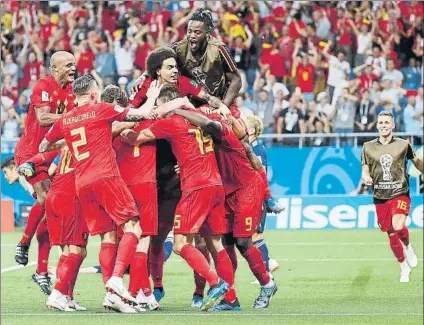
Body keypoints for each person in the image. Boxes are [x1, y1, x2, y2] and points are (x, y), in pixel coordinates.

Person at [38, 75, 173, 313]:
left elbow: (43, 146)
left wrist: (67, 143)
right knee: (134, 227)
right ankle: (116, 281)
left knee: (107, 237)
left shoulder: (65, 119)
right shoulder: (100, 109)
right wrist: (151, 98)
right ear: (91, 94)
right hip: (105, 176)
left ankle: (64, 294)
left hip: (82, 184)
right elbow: (140, 114)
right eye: (97, 90)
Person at [120, 84, 232, 312]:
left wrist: (122, 131)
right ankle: (231, 299)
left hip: (195, 187)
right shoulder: (200, 116)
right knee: (216, 244)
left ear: (165, 104)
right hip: (216, 184)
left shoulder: (170, 122)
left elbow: (136, 138)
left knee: (181, 244)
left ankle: (215, 283)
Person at [168, 101, 278, 310]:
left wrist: (267, 196)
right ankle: (230, 299)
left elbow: (255, 162)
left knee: (243, 242)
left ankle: (267, 284)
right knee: (224, 245)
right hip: (226, 192)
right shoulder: (204, 138)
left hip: (246, 189)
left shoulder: (223, 130)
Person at [13, 51, 77, 276]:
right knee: (46, 197)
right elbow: (43, 118)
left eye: (74, 64)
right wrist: (75, 116)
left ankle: (41, 270)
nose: (72, 69)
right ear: (55, 68)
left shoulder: (71, 91)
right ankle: (23, 242)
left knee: (52, 207)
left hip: (51, 154)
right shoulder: (43, 85)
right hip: (30, 153)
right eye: (68, 65)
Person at [106, 84, 160, 310]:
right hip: (145, 183)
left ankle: (143, 293)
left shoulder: (110, 125)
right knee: (142, 241)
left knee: (124, 239)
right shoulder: (150, 119)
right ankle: (135, 292)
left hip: (121, 185)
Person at [361, 111, 423, 283]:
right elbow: (365, 168)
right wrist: (366, 177)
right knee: (390, 233)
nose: (383, 125)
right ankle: (403, 267)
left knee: (398, 224)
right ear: (377, 125)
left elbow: (416, 161)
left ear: (393, 125)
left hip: (400, 192)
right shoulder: (368, 147)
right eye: (381, 123)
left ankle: (408, 247)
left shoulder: (404, 145)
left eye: (387, 122)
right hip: (380, 195)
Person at [129, 47, 228, 111]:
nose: (175, 71)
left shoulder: (184, 81)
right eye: (169, 67)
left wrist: (221, 106)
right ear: (158, 71)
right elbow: (129, 110)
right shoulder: (145, 86)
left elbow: (207, 97)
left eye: (175, 67)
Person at [245, 115, 281, 282]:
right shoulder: (250, 147)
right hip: (251, 198)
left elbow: (261, 175)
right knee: (250, 237)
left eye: (244, 124)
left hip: (258, 198)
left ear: (251, 130)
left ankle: (267, 271)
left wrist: (265, 200)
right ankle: (268, 264)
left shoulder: (258, 150)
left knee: (256, 237)